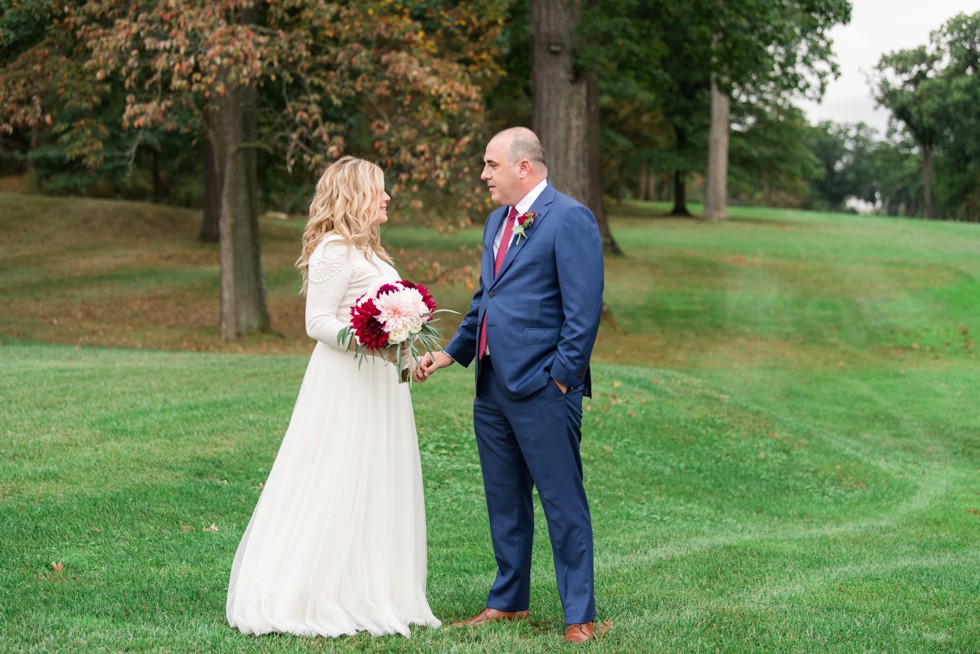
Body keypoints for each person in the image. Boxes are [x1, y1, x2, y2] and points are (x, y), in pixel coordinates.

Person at [226, 156, 441, 638]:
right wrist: (372, 339)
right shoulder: (334, 249)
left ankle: (374, 588)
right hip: (344, 384)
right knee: (338, 476)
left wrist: (403, 355)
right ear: (356, 195)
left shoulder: (375, 255)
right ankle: (314, 593)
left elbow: (387, 322)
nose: (387, 198)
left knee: (377, 478)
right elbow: (317, 322)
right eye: (380, 190)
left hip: (381, 386)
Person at [416, 127, 604, 643]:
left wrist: (561, 380)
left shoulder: (571, 219)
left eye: (491, 164)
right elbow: (486, 300)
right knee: (505, 501)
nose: (484, 175)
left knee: (562, 502)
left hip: (545, 389)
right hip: (492, 386)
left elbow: (583, 313)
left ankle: (579, 617)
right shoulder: (497, 221)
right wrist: (451, 354)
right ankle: (508, 602)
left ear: (524, 167)